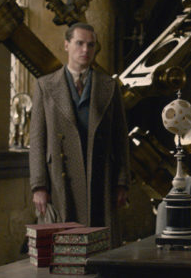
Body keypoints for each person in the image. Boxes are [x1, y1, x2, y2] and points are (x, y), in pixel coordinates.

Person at [29, 22, 130, 245]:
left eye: (91, 45)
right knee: (64, 246)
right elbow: (36, 140)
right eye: (79, 43)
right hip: (60, 178)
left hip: (101, 177)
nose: (85, 50)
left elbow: (120, 138)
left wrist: (122, 182)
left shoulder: (109, 85)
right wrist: (39, 186)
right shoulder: (45, 85)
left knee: (101, 244)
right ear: (66, 45)